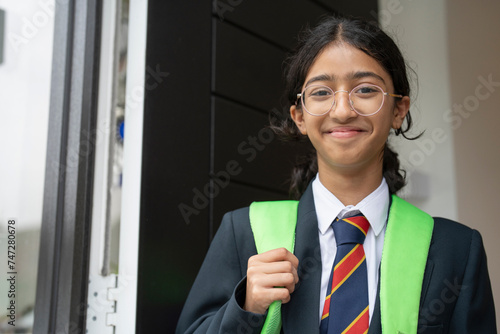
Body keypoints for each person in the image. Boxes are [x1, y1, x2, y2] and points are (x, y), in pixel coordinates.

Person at [176, 14, 496, 334]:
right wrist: (244, 307)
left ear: (399, 110)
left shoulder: (456, 250)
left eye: (366, 89)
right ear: (299, 116)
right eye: (321, 92)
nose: (342, 111)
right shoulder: (245, 233)